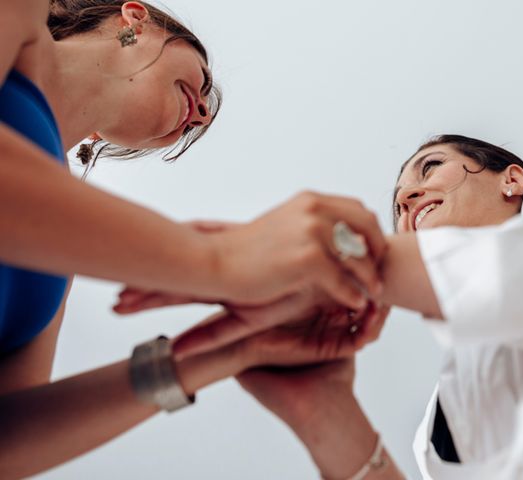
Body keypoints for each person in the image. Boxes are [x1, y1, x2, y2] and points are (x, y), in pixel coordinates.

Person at [0, 0, 387, 476]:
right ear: (135, 16)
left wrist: (231, 353)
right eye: (202, 80)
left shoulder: (58, 261)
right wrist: (221, 260)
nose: (201, 113)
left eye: (203, 113)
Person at [179, 135, 523, 479]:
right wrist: (325, 411)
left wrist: (343, 262)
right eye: (397, 206)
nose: (404, 199)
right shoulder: (437, 426)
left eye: (431, 167)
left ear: (513, 179)